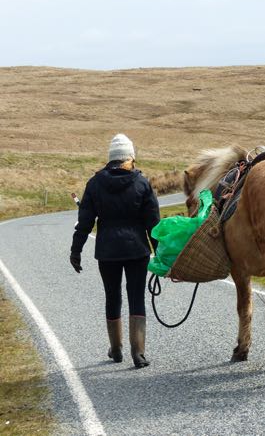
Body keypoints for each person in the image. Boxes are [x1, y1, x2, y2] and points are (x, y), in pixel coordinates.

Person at [70, 134, 160, 368]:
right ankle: (138, 352)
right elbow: (153, 223)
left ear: (111, 158)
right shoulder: (142, 183)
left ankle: (116, 349)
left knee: (112, 296)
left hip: (107, 250)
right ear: (130, 157)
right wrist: (160, 253)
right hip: (137, 250)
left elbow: (85, 221)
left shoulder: (95, 183)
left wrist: (76, 250)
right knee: (136, 296)